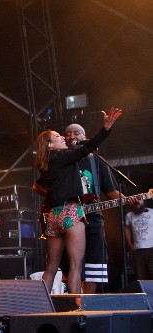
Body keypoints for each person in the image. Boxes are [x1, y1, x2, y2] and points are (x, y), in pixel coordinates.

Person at [34, 107, 122, 294]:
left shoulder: (48, 162)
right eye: (58, 137)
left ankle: (39, 306)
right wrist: (106, 128)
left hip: (53, 215)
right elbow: (87, 149)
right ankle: (76, 309)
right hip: (71, 213)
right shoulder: (62, 157)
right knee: (76, 267)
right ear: (50, 145)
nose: (63, 138)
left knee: (51, 267)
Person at [125, 199, 153, 280]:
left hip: (152, 248)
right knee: (140, 276)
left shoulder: (152, 212)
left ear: (144, 201)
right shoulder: (129, 215)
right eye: (135, 200)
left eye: (140, 199)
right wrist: (130, 243)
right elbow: (127, 229)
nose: (137, 201)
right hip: (138, 250)